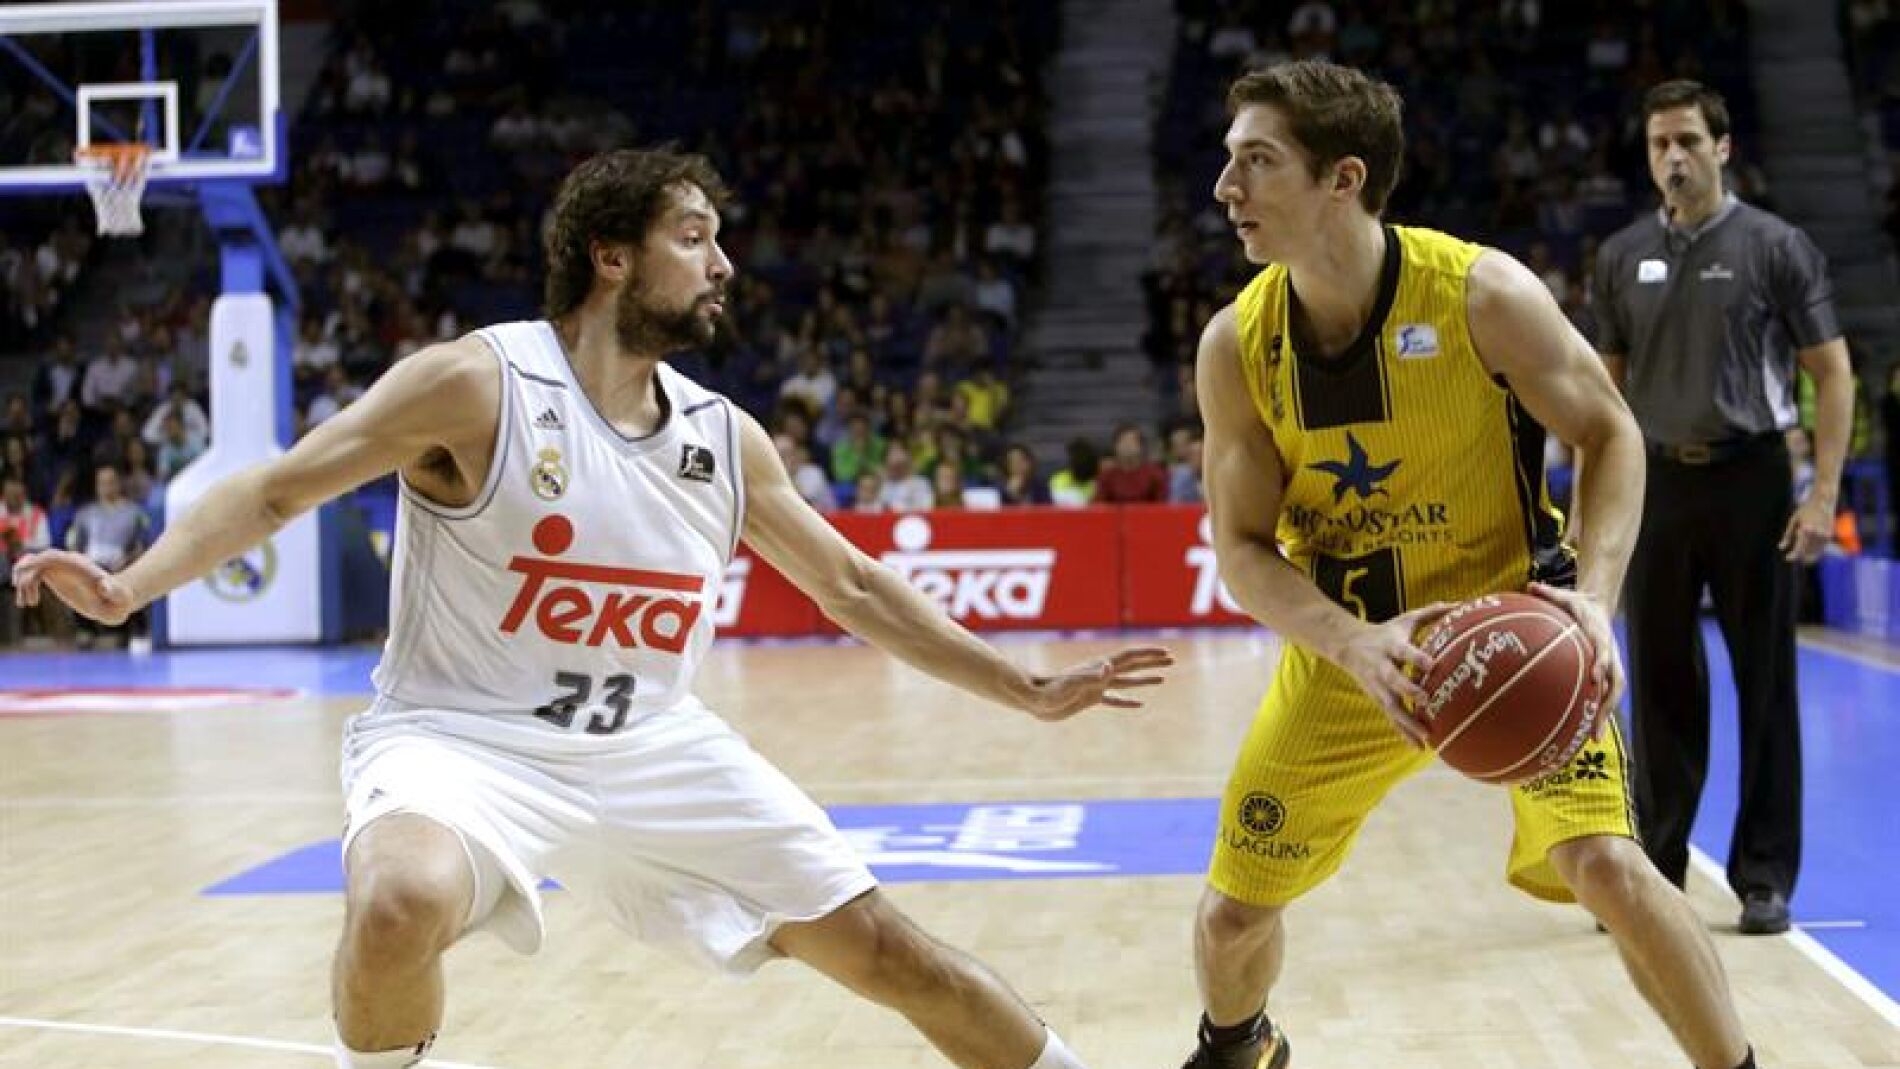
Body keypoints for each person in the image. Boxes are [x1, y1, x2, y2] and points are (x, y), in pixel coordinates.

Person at [13, 148, 1171, 1069]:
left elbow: (853, 586)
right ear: (612, 258)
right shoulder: (477, 382)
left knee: (891, 952)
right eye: (695, 236)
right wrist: (129, 586)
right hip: (460, 739)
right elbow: (275, 488)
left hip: (653, 745)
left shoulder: (724, 439)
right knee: (396, 901)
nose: (722, 264)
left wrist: (1021, 686)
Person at [1185, 61, 1758, 1069]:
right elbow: (1239, 547)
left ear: (1341, 179)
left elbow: (1610, 433)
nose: (1225, 189)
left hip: (1512, 635)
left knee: (1608, 869)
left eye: (1256, 162)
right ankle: (1240, 1047)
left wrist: (1591, 599)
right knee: (1232, 918)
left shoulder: (1480, 293)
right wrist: (1352, 643)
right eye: (1228, 162)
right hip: (1355, 652)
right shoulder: (1238, 344)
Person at [1591, 79, 1853, 936]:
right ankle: (1657, 870)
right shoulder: (1620, 256)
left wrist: (1822, 493)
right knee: (1659, 683)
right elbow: (1604, 393)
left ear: (1724, 147)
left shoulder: (1778, 246)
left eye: (1689, 141)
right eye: (1660, 143)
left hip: (1752, 481)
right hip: (1658, 482)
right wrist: (1595, 509)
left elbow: (1832, 372)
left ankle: (1765, 876)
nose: (1674, 157)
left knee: (1765, 682)